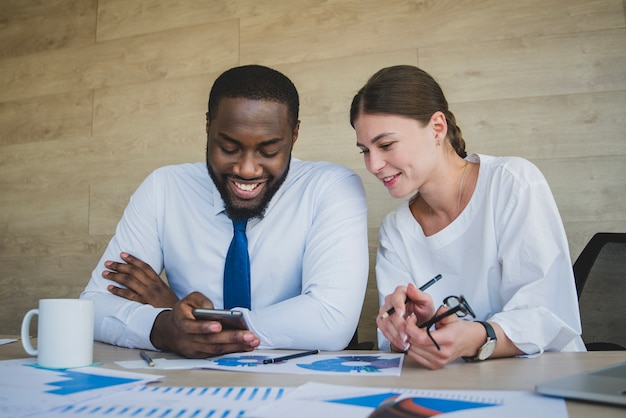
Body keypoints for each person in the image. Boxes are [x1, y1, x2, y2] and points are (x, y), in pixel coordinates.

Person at [81, 65, 369, 358]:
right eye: (229, 147)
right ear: (208, 126)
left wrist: (199, 325)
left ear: (294, 134)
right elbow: (92, 307)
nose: (246, 169)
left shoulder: (330, 187)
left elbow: (331, 321)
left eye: (269, 151)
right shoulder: (163, 188)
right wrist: (165, 327)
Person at [349, 65, 585, 370]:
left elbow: (548, 314)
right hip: (454, 388)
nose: (374, 164)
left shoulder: (512, 182)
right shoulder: (397, 229)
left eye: (386, 145)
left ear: (437, 127)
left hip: (548, 379)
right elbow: (399, 347)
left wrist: (477, 336)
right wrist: (406, 329)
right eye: (364, 151)